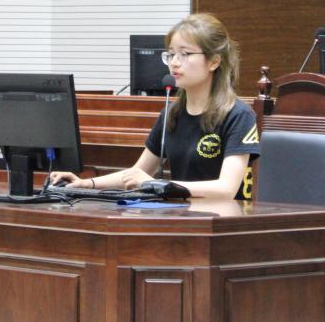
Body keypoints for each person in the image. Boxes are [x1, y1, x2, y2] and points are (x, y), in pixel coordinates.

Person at [49, 13, 259, 198]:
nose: (174, 62)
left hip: (223, 221)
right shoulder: (172, 114)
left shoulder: (238, 115)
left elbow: (226, 189)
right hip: (181, 216)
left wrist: (160, 185)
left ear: (214, 62)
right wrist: (86, 183)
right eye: (171, 54)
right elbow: (138, 173)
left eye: (185, 54)